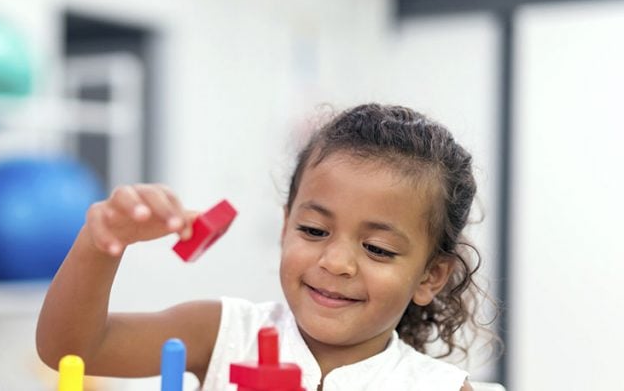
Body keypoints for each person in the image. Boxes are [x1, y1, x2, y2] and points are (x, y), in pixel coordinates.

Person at [36, 104, 494, 390]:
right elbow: (72, 349)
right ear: (285, 225)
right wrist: (101, 244)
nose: (335, 262)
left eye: (377, 248)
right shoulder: (222, 333)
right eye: (314, 231)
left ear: (430, 276)